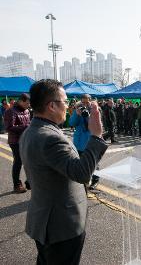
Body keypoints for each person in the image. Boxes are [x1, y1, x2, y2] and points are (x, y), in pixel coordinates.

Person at [20, 79, 107, 265]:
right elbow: (82, 173)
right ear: (51, 105)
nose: (68, 106)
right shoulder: (50, 137)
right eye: (65, 101)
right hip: (61, 226)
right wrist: (96, 136)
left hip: (46, 220)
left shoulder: (32, 130)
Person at [69, 94, 100, 190]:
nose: (85, 104)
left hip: (91, 139)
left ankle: (95, 180)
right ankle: (83, 180)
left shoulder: (95, 110)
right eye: (83, 102)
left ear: (90, 101)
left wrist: (89, 115)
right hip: (79, 141)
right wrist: (76, 114)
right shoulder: (77, 110)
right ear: (81, 102)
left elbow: (97, 125)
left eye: (87, 102)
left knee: (94, 162)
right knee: (80, 161)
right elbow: (71, 123)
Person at [4, 93, 31, 193]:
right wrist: (26, 127)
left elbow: (28, 124)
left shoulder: (27, 111)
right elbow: (9, 127)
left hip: (26, 139)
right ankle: (17, 185)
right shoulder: (10, 111)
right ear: (21, 101)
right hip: (15, 141)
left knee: (29, 161)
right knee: (18, 162)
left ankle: (29, 181)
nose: (28, 105)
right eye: (27, 103)